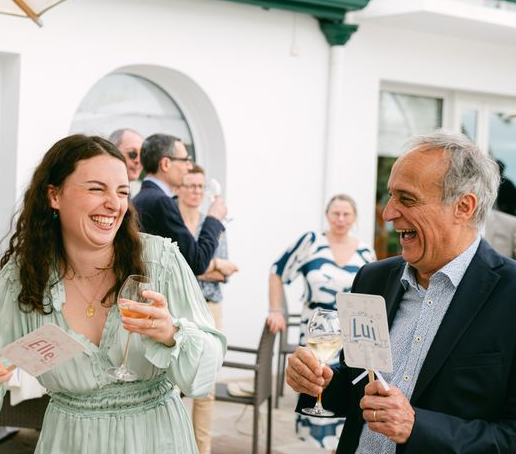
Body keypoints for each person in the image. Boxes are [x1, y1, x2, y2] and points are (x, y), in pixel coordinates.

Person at [0, 135, 226, 453]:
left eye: (121, 192)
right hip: (70, 441)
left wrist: (172, 334)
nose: (114, 204)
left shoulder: (160, 261)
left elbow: (208, 367)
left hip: (156, 439)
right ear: (54, 195)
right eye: (96, 188)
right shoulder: (25, 276)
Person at [287, 131, 516, 454]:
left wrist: (416, 428)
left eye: (406, 199)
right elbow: (356, 386)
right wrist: (322, 381)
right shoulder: (373, 279)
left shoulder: (510, 294)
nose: (388, 213)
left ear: (463, 207)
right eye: (390, 196)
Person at [268, 194, 375, 450]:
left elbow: (372, 298)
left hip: (350, 336)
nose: (340, 219)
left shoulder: (365, 252)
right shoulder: (311, 242)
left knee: (345, 396)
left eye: (346, 214)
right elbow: (277, 271)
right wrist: (275, 309)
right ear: (327, 215)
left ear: (354, 218)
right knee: (315, 385)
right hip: (316, 333)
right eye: (335, 213)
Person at [176, 164, 238, 454]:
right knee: (171, 384)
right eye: (190, 185)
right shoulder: (170, 220)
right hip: (177, 307)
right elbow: (170, 268)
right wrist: (209, 266)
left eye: (201, 186)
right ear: (178, 187)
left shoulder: (210, 223)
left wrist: (194, 266)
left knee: (206, 386)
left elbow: (226, 271)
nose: (196, 191)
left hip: (209, 308)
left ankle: (202, 450)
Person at [133, 133, 227, 275]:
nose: (189, 167)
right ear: (165, 164)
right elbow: (197, 262)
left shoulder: (141, 198)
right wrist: (213, 218)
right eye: (185, 160)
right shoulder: (162, 202)